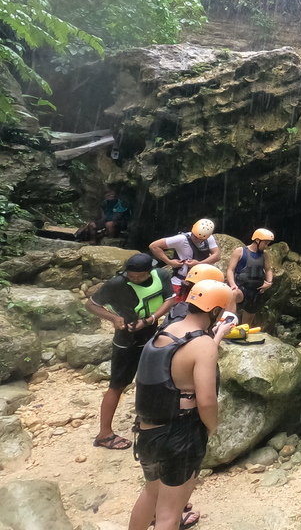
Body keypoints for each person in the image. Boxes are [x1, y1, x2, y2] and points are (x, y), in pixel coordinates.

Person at [127, 280, 234, 530]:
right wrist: (210, 428)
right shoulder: (202, 345)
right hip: (180, 433)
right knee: (169, 515)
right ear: (216, 311)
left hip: (147, 430)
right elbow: (206, 400)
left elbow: (183, 362)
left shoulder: (169, 330)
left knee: (151, 494)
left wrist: (216, 337)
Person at [85, 253, 175, 451]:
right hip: (126, 339)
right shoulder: (118, 283)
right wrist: (113, 319)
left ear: (149, 271)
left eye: (139, 276)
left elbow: (170, 299)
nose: (133, 279)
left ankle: (145, 418)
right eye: (131, 275)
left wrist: (151, 319)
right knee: (117, 384)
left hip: (149, 333)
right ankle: (104, 434)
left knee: (149, 378)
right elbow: (91, 304)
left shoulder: (161, 275)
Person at [149, 219, 221, 296]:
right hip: (180, 281)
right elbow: (154, 246)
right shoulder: (181, 239)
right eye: (196, 237)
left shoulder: (209, 238)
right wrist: (169, 262)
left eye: (201, 239)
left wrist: (199, 263)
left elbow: (217, 256)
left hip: (200, 281)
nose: (198, 240)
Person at [225, 228, 275, 326]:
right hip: (241, 287)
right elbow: (230, 270)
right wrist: (233, 285)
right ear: (257, 240)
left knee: (247, 321)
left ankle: (243, 332)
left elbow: (268, 270)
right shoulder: (240, 251)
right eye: (265, 243)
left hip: (256, 290)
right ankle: (225, 325)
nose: (266, 246)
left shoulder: (264, 255)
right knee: (233, 295)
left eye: (268, 243)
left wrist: (269, 283)